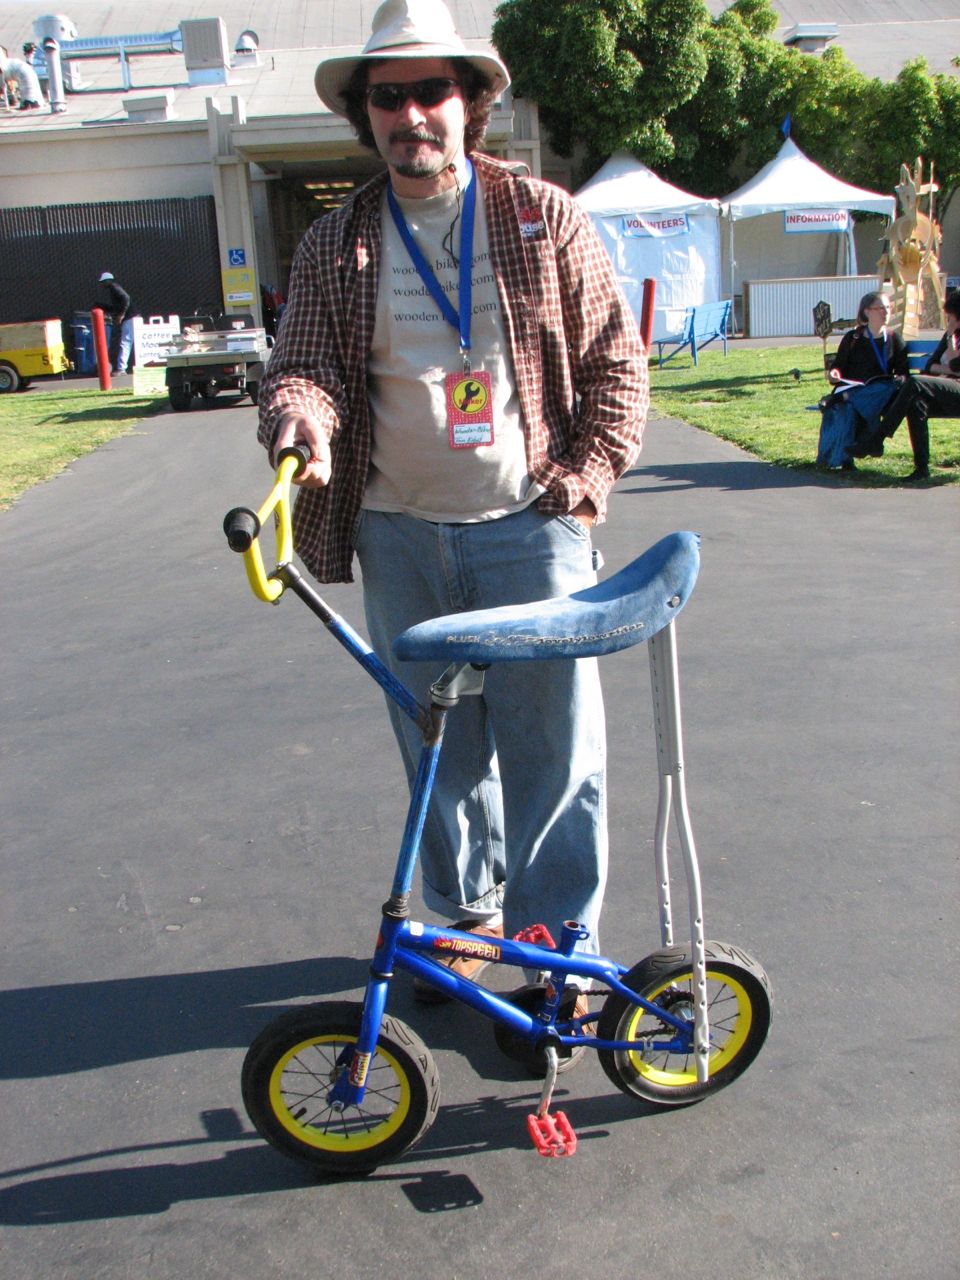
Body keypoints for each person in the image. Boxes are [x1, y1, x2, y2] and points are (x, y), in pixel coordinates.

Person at [257, 0, 647, 1002]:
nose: (409, 114)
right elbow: (303, 369)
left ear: (470, 102)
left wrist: (588, 479)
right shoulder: (333, 242)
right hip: (398, 535)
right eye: (388, 97)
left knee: (556, 753)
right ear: (367, 116)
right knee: (438, 749)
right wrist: (298, 421)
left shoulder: (539, 216)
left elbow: (616, 363)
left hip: (532, 529)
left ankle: (557, 949)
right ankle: (472, 920)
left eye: (431, 90)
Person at [817, 291, 906, 472]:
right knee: (848, 408)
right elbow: (838, 367)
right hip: (853, 387)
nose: (886, 312)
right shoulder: (853, 338)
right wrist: (834, 374)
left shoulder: (894, 339)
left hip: (880, 391)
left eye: (888, 308)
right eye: (880, 308)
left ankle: (845, 398)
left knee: (883, 387)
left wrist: (899, 378)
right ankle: (846, 460)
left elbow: (904, 374)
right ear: (866, 312)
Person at [876, 289, 960, 480]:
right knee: (916, 402)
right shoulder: (948, 336)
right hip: (947, 392)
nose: (950, 323)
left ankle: (879, 436)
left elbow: (955, 364)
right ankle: (921, 468)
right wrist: (948, 363)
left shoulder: (952, 336)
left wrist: (951, 343)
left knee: (915, 382)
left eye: (952, 318)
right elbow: (931, 365)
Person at [97, 271, 137, 374]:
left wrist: (122, 314)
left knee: (126, 342)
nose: (102, 284)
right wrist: (102, 306)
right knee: (127, 342)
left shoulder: (115, 287)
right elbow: (117, 306)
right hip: (130, 318)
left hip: (130, 318)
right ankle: (122, 367)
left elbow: (126, 298)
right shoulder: (113, 289)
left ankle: (121, 368)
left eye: (103, 282)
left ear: (108, 281)